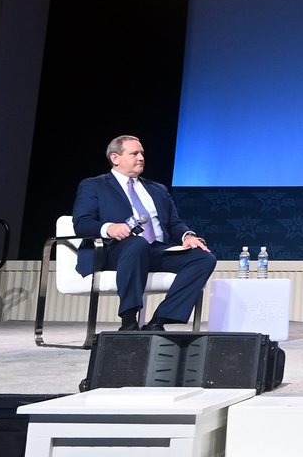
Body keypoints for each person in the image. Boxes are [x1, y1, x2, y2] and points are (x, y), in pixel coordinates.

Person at [72, 135, 216, 331]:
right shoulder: (95, 185)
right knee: (137, 244)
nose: (140, 158)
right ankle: (129, 320)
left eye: (142, 153)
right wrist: (109, 228)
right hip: (115, 250)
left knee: (203, 258)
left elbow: (174, 223)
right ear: (115, 158)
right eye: (134, 153)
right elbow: (82, 223)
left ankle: (159, 321)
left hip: (156, 250)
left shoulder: (157, 189)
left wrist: (187, 236)